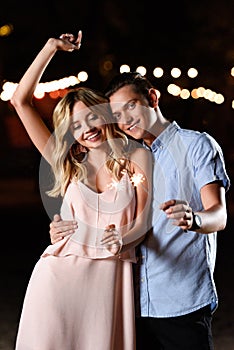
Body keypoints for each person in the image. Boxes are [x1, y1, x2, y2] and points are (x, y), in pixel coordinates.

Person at [50, 34, 230, 350]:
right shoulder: (124, 159)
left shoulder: (196, 145)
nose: (126, 119)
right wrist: (69, 227)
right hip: (132, 303)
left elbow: (220, 214)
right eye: (117, 115)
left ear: (152, 97)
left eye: (131, 105)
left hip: (181, 302)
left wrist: (194, 219)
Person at [11, 31, 153, 350]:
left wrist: (124, 238)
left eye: (92, 118)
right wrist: (50, 48)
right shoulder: (67, 163)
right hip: (57, 278)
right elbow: (21, 101)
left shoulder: (138, 157)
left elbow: (143, 224)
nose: (86, 129)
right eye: (76, 125)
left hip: (110, 282)